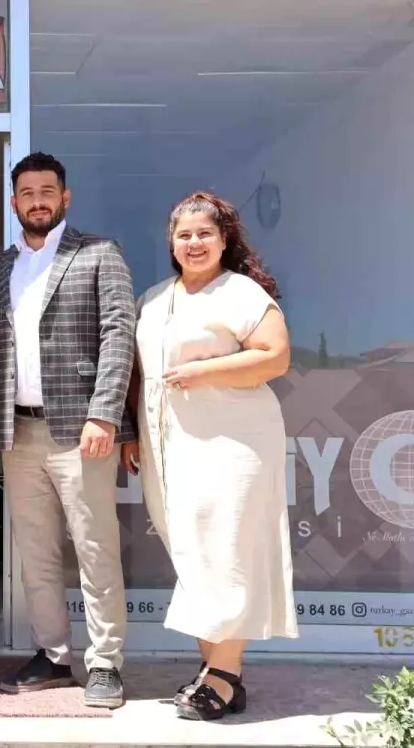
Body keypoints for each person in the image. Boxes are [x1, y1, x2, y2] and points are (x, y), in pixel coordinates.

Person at [0, 152, 135, 709]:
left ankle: (105, 662)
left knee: (94, 548)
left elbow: (118, 334)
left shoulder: (99, 253)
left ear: (65, 197)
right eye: (27, 193)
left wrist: (105, 413)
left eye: (47, 191)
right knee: (36, 552)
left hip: (82, 430)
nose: (37, 201)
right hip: (18, 433)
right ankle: (54, 655)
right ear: (14, 201)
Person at [121, 191, 297, 721]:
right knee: (195, 559)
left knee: (226, 555)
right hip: (169, 449)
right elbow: (139, 373)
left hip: (233, 445)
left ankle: (223, 676)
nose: (194, 243)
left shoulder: (241, 292)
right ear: (171, 243)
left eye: (204, 233)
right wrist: (132, 433)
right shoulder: (154, 298)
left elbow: (276, 357)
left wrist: (203, 372)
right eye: (184, 235)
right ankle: (217, 670)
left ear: (224, 240)